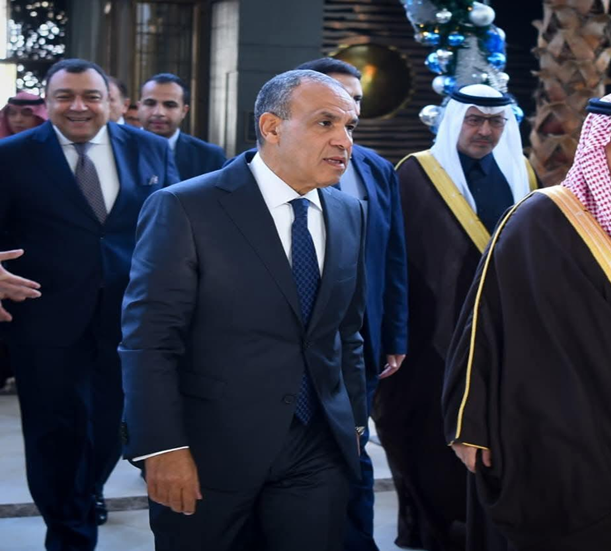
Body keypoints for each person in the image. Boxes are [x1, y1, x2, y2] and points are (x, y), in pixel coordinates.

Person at [442, 90, 611, 551]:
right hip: (549, 424)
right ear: (597, 146)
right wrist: (468, 423)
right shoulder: (541, 218)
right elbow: (484, 325)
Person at [120, 69, 367, 551]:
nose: (344, 141)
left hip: (317, 448)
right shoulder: (184, 207)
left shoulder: (349, 212)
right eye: (325, 123)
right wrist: (161, 446)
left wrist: (353, 421)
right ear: (272, 127)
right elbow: (150, 341)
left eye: (350, 126)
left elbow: (347, 331)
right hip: (208, 451)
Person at [0, 58, 178, 550]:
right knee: (52, 432)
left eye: (90, 96)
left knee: (111, 426)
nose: (78, 106)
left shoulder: (150, 149)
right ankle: (68, 529)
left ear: (109, 101)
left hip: (129, 321)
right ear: (47, 102)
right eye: (65, 96)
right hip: (44, 321)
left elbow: (173, 227)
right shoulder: (12, 156)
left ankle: (85, 491)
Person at [373, 84, 537, 551]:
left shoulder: (523, 172)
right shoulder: (415, 173)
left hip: (505, 334)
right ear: (453, 121)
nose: (485, 131)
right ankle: (435, 529)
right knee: (428, 433)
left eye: (495, 121)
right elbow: (394, 260)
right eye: (474, 119)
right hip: (432, 336)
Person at [295, 57, 409, 551]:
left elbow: (393, 257)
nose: (346, 114)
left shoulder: (378, 170)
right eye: (330, 108)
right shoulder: (265, 168)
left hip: (361, 338)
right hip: (296, 338)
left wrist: (395, 334)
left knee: (355, 446)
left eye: (355, 104)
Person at [138, 73, 226, 180]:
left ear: (184, 111)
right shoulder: (120, 149)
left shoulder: (209, 156)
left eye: (170, 105)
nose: (159, 112)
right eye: (150, 103)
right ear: (139, 106)